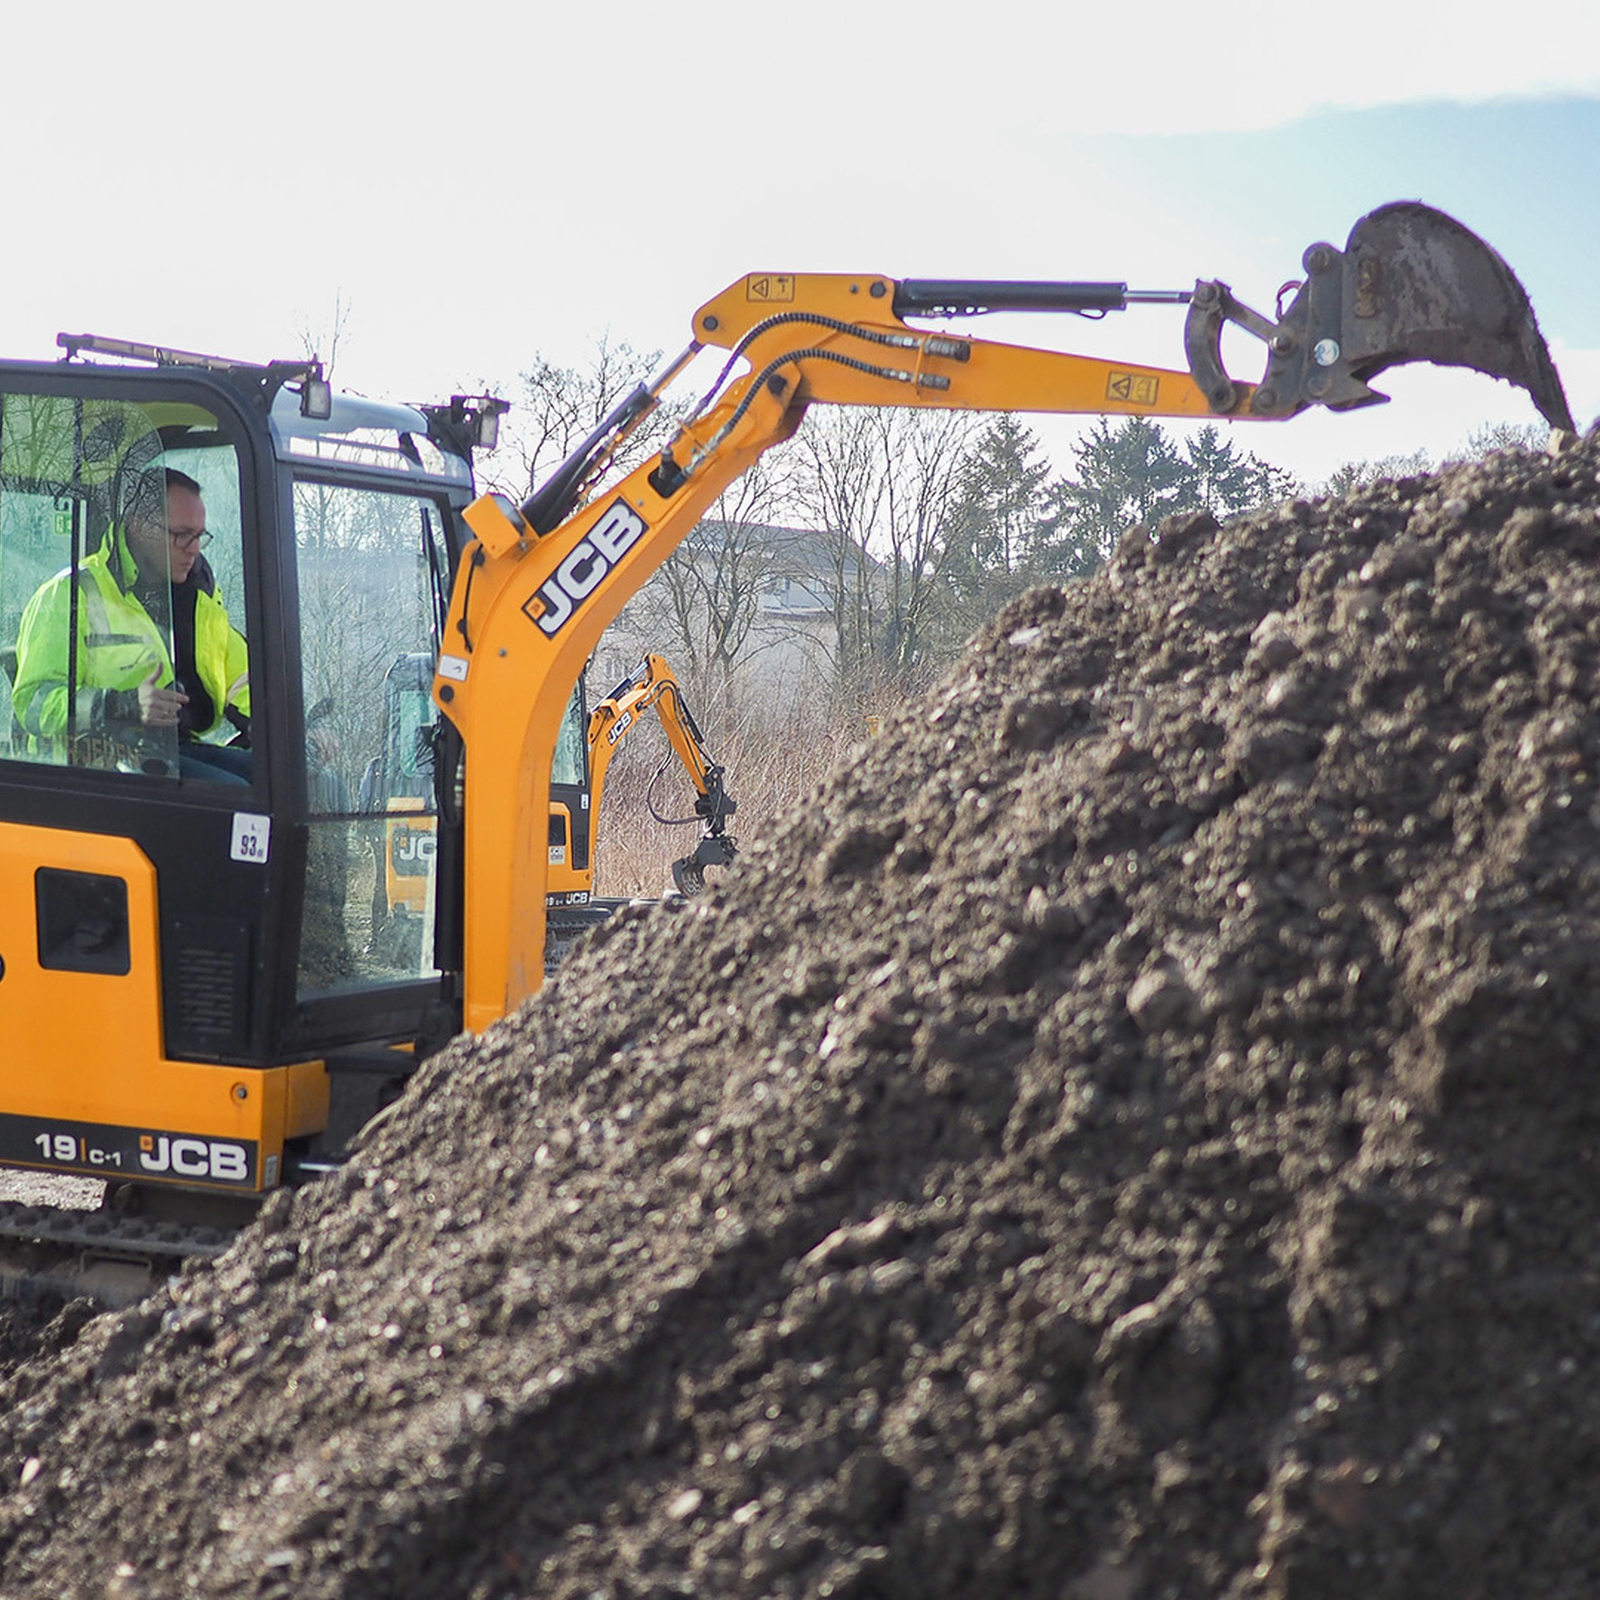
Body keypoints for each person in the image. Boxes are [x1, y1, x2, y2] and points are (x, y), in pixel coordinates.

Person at [12, 467, 252, 784]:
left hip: (174, 750)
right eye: (182, 535)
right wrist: (121, 705)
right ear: (139, 527)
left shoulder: (197, 600)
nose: (193, 549)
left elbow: (242, 678)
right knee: (234, 795)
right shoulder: (71, 594)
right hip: (97, 763)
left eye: (198, 536)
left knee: (286, 777)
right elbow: (33, 703)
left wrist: (279, 726)